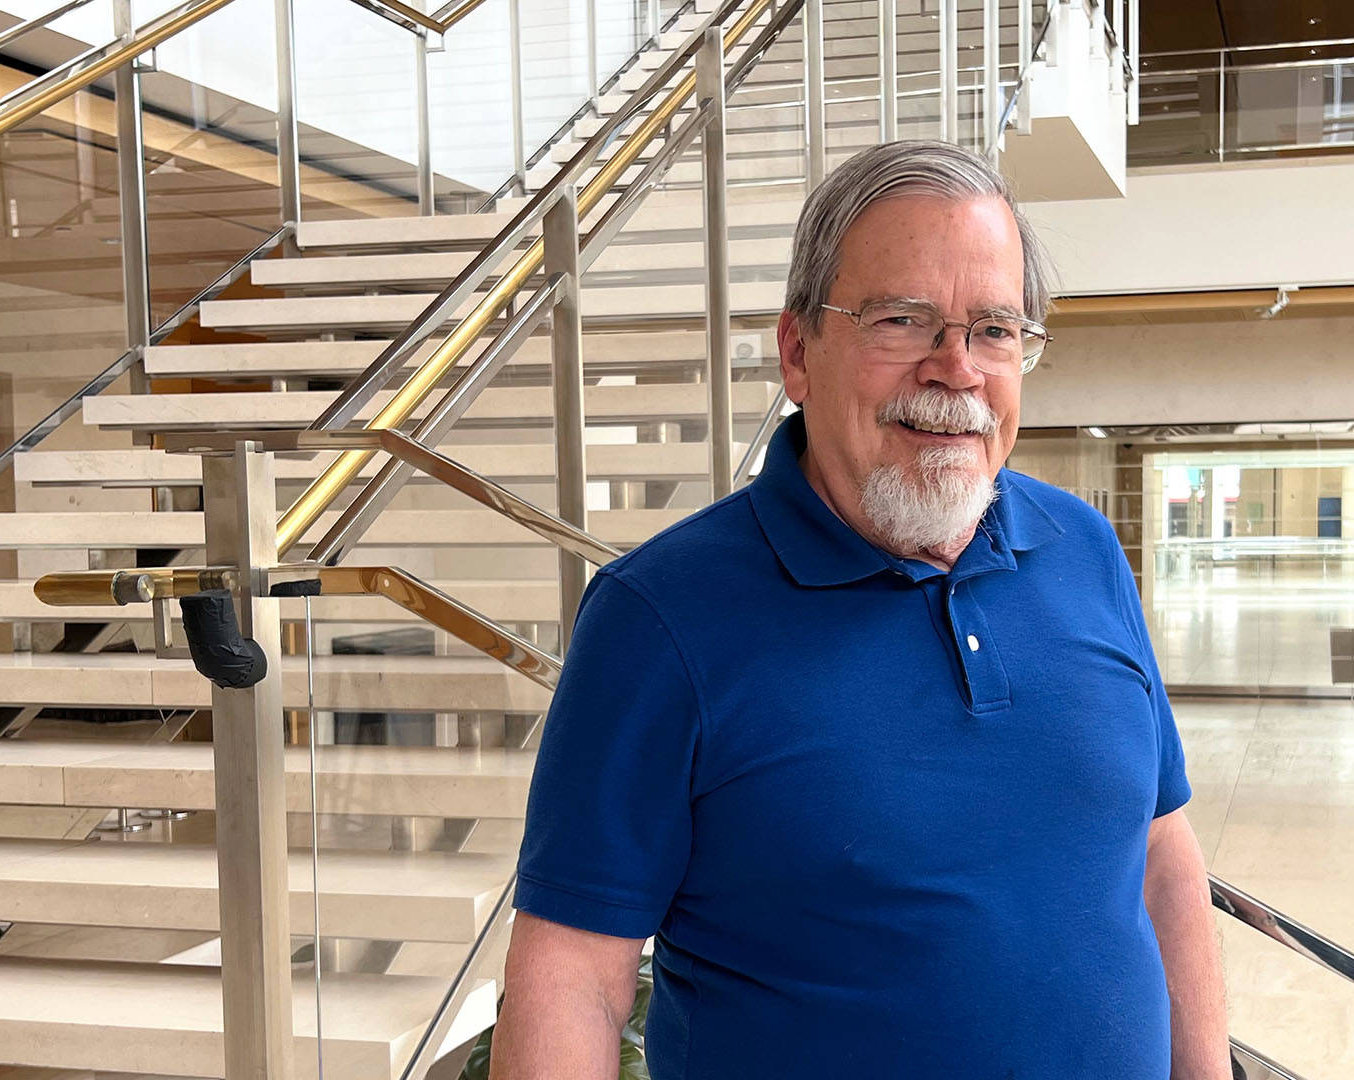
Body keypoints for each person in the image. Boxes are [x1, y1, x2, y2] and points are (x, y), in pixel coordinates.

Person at [491, 140, 1228, 1080]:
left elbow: (1161, 852)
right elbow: (574, 979)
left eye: (995, 329)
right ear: (798, 352)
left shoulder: (1084, 549)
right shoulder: (659, 621)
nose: (955, 369)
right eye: (903, 320)